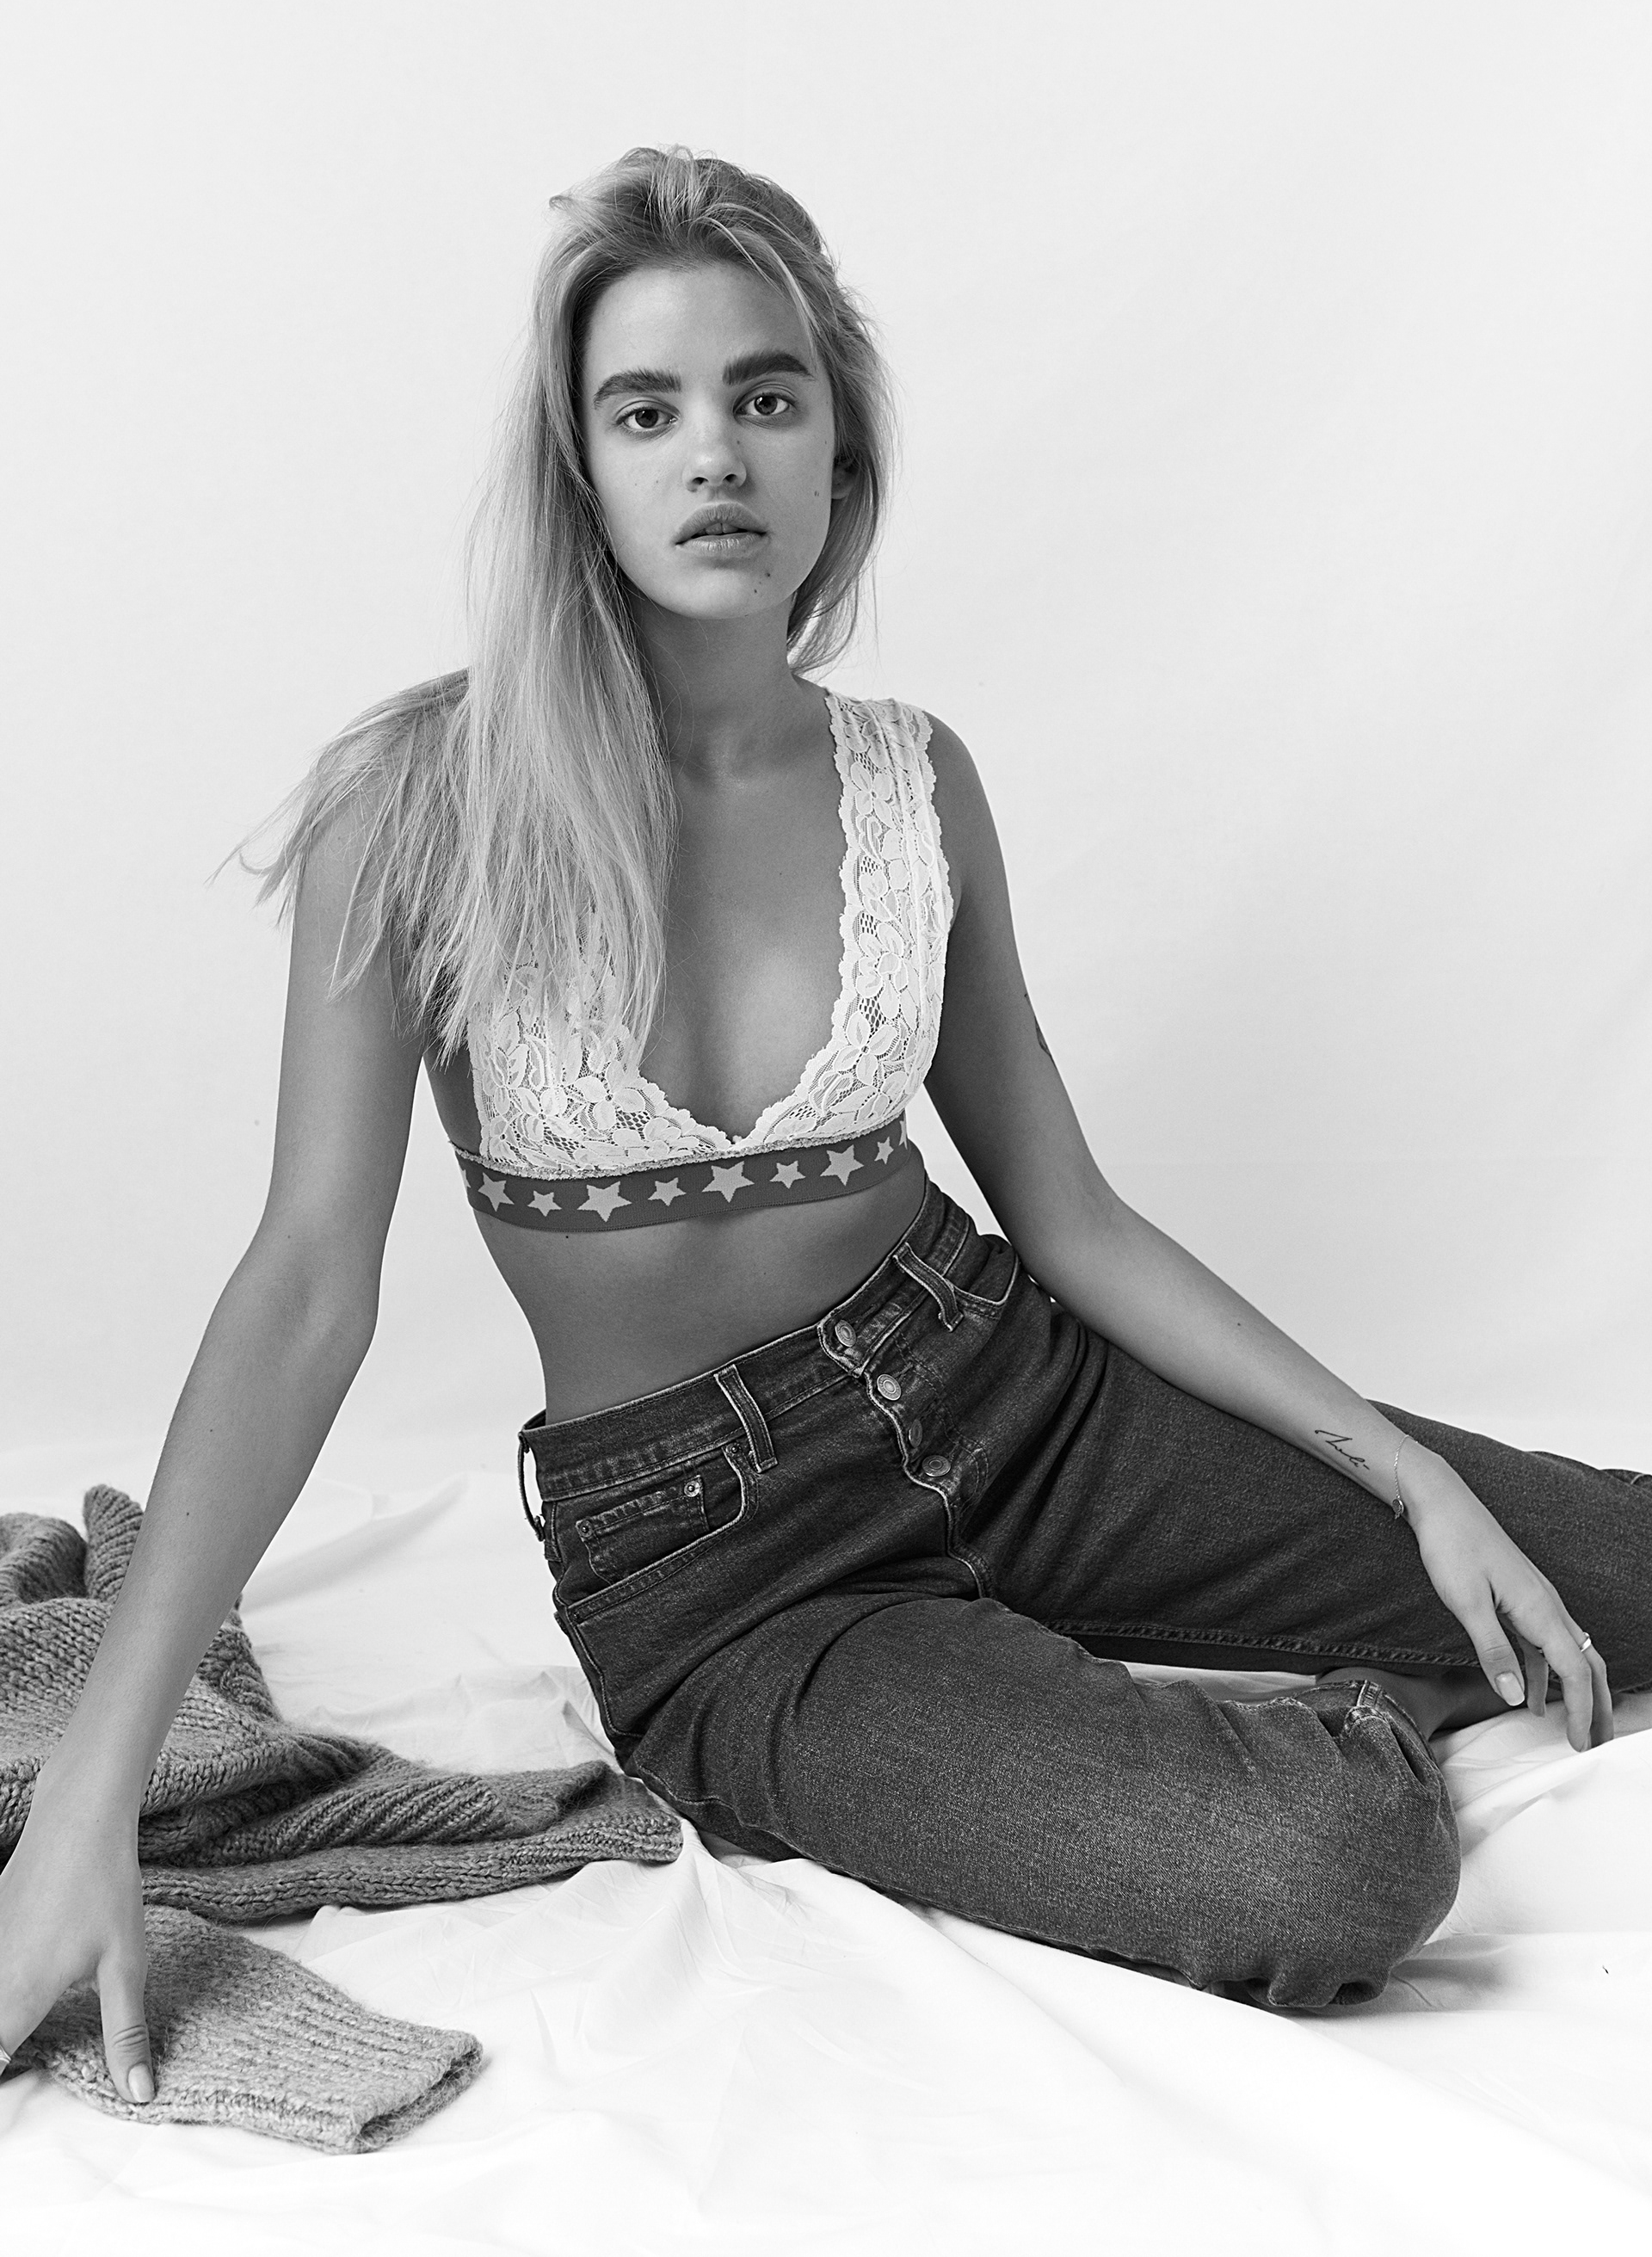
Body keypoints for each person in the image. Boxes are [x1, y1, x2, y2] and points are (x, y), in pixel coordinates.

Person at [1, 148, 1639, 2103]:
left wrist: (1409, 1477)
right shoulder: (420, 805)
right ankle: (1234, 1721)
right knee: (1336, 1869)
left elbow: (1073, 1215)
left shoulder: (911, 779)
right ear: (578, 466)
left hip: (1020, 1398)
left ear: (840, 452)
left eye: (765, 397)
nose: (715, 453)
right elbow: (301, 1290)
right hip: (736, 1582)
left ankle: (1178, 1672)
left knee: (1615, 1566)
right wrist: (87, 1793)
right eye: (646, 409)